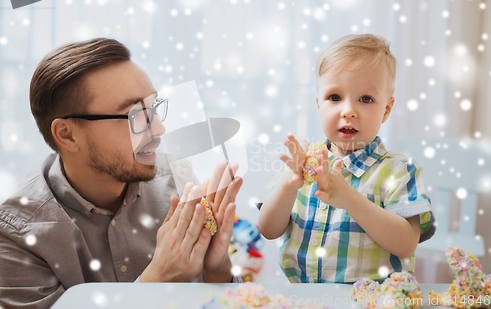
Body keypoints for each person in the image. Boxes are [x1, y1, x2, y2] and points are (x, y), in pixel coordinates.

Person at [0, 38, 243, 309]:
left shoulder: (176, 178)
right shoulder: (16, 234)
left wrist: (218, 270)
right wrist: (157, 279)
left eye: (153, 108)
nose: (159, 129)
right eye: (134, 115)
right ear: (67, 135)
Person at [258, 34, 435, 283]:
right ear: (319, 104)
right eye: (334, 97)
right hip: (304, 298)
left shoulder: (400, 170)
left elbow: (406, 244)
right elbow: (267, 230)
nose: (348, 111)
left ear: (386, 109)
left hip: (371, 300)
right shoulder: (303, 161)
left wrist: (350, 199)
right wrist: (290, 185)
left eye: (365, 99)